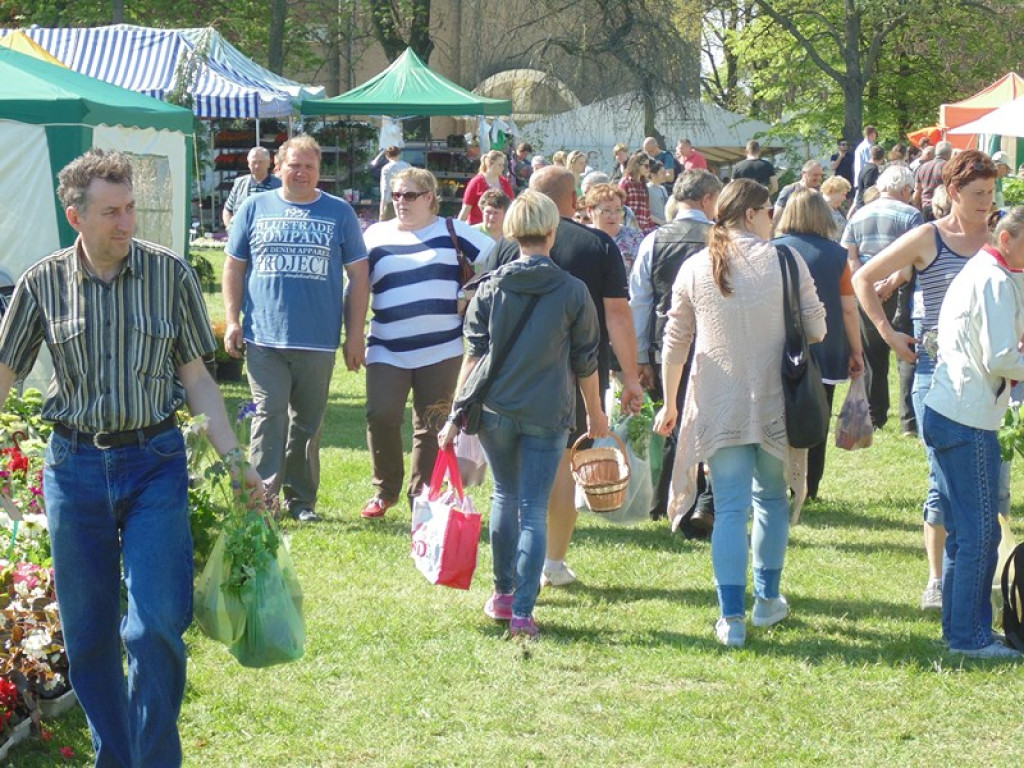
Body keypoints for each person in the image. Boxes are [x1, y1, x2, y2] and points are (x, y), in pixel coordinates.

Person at [0, 149, 262, 766]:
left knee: (154, 629)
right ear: (76, 216)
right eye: (111, 212)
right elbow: (5, 372)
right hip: (76, 469)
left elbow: (197, 377)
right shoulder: (43, 282)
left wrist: (235, 461)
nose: (127, 223)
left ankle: (153, 759)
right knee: (89, 639)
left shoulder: (169, 276)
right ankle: (116, 757)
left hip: (155, 463)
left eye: (130, 209)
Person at [653, 179, 826, 648]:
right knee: (771, 499)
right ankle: (767, 600)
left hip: (718, 399)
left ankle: (731, 617)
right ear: (751, 215)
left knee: (729, 507)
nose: (773, 218)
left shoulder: (694, 266)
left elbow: (675, 341)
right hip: (778, 399)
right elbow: (816, 328)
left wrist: (669, 402)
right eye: (769, 210)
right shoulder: (786, 261)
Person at [438, 191, 608, 639]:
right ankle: (523, 613)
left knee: (505, 499)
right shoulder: (573, 291)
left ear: (511, 232)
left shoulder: (489, 287)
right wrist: (596, 417)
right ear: (552, 233)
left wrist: (455, 413)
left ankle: (503, 594)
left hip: (495, 409)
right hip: (549, 412)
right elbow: (586, 361)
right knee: (532, 509)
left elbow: (471, 356)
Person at [851, 150, 996, 611]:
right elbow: (862, 278)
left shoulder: (1001, 238)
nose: (986, 203)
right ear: (952, 192)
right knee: (943, 480)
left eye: (992, 193)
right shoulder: (928, 237)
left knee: (990, 482)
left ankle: (968, 573)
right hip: (936, 372)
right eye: (978, 194)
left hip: (991, 376)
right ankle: (939, 580)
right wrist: (889, 334)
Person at [491, 166, 644, 586]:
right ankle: (551, 563)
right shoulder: (597, 244)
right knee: (561, 470)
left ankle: (508, 571)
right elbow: (618, 315)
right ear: (574, 200)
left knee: (509, 482)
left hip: (508, 377)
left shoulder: (506, 246)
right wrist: (630, 376)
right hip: (575, 376)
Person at [224, 135, 370, 523]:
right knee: (269, 415)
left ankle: (301, 501)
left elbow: (358, 275)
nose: (302, 172)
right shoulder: (254, 208)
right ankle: (262, 500)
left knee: (307, 424)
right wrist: (233, 320)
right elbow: (234, 267)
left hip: (318, 339)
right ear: (278, 167)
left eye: (310, 166)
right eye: (294, 165)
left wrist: (354, 335)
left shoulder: (339, 213)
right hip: (264, 337)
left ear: (320, 171)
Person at [359, 168, 495, 518]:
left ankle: (422, 495)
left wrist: (471, 290)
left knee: (432, 423)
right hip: (386, 345)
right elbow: (357, 282)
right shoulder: (375, 234)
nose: (401, 202)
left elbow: (500, 258)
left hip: (442, 349)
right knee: (381, 414)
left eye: (410, 195)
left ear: (430, 197)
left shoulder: (452, 230)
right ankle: (384, 490)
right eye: (396, 195)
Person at [920, 207, 1024, 659]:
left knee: (965, 531)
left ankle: (961, 630)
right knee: (979, 533)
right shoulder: (995, 280)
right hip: (967, 416)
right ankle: (969, 637)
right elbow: (1001, 357)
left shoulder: (982, 270)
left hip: (950, 408)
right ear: (1006, 238)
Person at [630, 169, 723, 525]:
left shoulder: (653, 240)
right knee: (710, 422)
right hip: (710, 342)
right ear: (707, 200)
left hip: (662, 343)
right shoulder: (719, 237)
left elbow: (640, 298)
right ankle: (702, 500)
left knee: (671, 423)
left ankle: (664, 501)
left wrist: (640, 354)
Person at [773, 189, 864, 499]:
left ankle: (779, 481)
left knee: (777, 416)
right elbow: (849, 308)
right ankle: (810, 487)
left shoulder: (771, 249)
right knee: (816, 417)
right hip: (825, 348)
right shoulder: (836, 255)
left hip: (778, 347)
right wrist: (856, 349)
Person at [843, 164, 923, 431]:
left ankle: (875, 417)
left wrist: (868, 285)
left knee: (872, 355)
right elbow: (913, 256)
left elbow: (851, 257)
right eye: (910, 191)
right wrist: (889, 283)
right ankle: (909, 421)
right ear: (903, 189)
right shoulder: (912, 216)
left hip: (864, 291)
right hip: (900, 290)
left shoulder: (858, 215)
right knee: (906, 353)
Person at [584, 183, 644, 275]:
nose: (613, 216)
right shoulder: (583, 235)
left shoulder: (635, 237)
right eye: (607, 210)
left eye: (618, 210)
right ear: (589, 211)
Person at [222, 146, 281, 228]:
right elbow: (228, 209)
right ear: (248, 164)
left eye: (261, 162)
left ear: (268, 163)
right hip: (243, 232)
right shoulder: (239, 183)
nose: (257, 166)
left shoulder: (280, 185)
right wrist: (230, 228)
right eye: (254, 162)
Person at [458, 149, 515, 225]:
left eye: (503, 165)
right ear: (490, 164)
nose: (502, 168)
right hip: (476, 229)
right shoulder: (476, 182)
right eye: (500, 165)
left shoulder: (505, 183)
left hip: (499, 229)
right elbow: (465, 209)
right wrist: (456, 230)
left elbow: (512, 208)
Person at [618, 151, 655, 234]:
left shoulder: (643, 185)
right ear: (637, 165)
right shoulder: (625, 182)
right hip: (628, 230)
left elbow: (646, 211)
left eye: (649, 166)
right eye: (646, 166)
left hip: (643, 231)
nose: (648, 169)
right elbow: (620, 207)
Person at [913, 140, 952, 211]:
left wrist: (917, 208)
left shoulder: (922, 167)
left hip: (925, 206)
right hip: (941, 207)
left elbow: (917, 191)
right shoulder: (948, 168)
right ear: (949, 154)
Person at [849, 144, 885, 217]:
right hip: (865, 206)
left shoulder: (865, 167)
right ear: (882, 157)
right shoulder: (872, 169)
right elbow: (869, 190)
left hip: (861, 204)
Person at [378, 145, 410, 221]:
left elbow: (385, 189)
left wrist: (382, 210)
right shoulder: (407, 166)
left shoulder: (386, 168)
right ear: (399, 154)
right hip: (407, 200)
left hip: (391, 202)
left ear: (386, 156)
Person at [820, 175, 852, 240]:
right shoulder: (817, 209)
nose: (845, 198)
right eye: (843, 194)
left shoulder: (840, 210)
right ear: (833, 191)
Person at [646, 161, 670, 225]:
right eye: (662, 173)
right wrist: (660, 221)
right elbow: (645, 211)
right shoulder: (647, 189)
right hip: (655, 226)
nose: (666, 175)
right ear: (653, 175)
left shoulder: (663, 188)